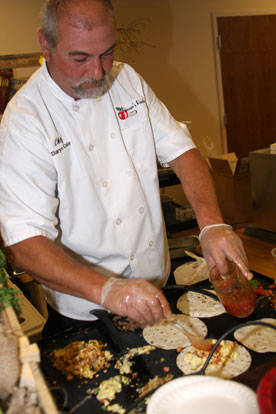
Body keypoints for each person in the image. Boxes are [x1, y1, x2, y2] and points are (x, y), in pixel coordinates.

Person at [0, 0, 251, 336]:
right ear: (45, 44)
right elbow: (24, 242)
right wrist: (107, 290)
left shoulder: (127, 79)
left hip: (157, 288)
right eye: (81, 58)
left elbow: (181, 150)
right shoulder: (24, 122)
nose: (99, 71)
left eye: (106, 52)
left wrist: (211, 224)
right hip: (87, 313)